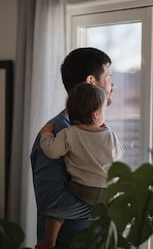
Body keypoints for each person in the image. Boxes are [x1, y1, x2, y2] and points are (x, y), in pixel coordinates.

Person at [30, 47, 115, 248]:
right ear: (91, 82)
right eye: (109, 77)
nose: (113, 85)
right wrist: (104, 207)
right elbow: (51, 202)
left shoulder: (98, 132)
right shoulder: (57, 132)